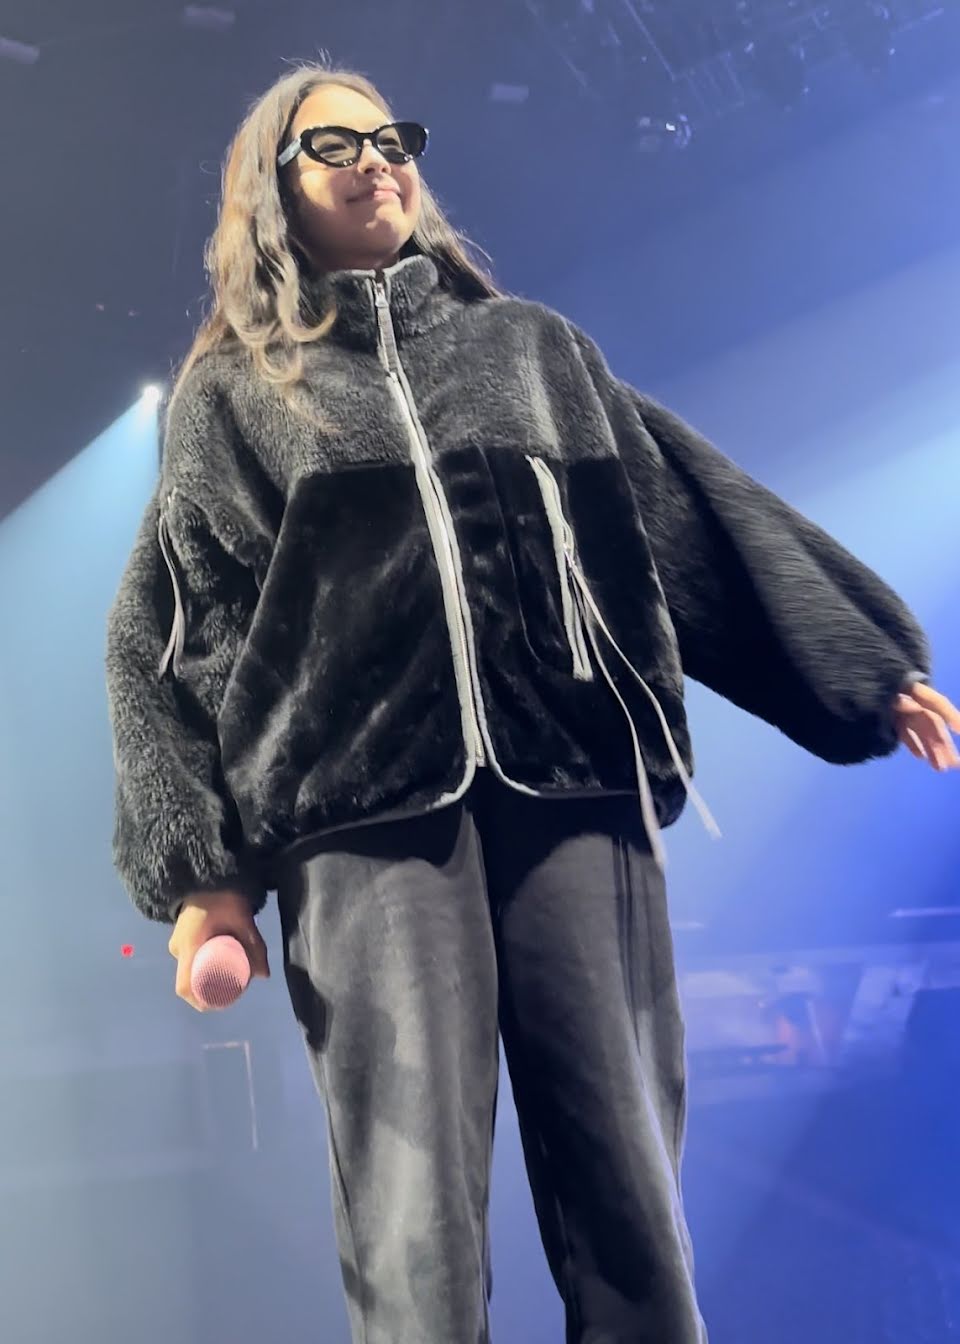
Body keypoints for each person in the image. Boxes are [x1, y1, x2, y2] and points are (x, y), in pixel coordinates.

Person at [104, 60, 960, 1344]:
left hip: (575, 781)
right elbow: (171, 635)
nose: (377, 157)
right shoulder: (237, 396)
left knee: (628, 1184)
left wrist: (861, 665)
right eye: (335, 143)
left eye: (392, 136)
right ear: (270, 190)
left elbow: (684, 513)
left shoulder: (532, 350)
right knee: (413, 1218)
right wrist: (205, 881)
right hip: (358, 814)